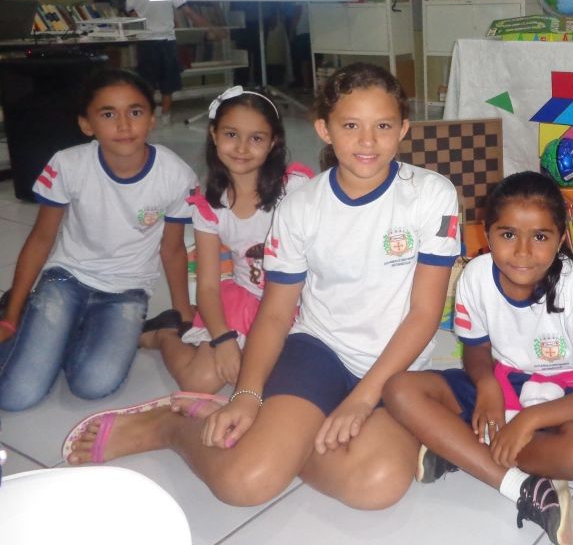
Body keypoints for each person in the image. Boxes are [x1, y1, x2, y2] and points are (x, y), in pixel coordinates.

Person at [64, 62, 461, 514]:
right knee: (243, 484)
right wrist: (247, 395)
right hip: (319, 352)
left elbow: (425, 314)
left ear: (403, 129)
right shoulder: (301, 206)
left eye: (383, 126)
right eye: (351, 125)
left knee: (377, 486)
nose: (367, 141)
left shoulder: (432, 194)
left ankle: (282, 442)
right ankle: (169, 427)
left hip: (396, 368)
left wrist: (363, 398)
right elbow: (274, 313)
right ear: (324, 130)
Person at [383, 171, 573, 545]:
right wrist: (486, 384)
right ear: (486, 235)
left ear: (560, 240)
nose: (522, 252)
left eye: (540, 237)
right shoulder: (474, 276)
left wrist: (530, 420)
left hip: (564, 398)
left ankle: (460, 449)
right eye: (507, 235)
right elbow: (475, 347)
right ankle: (520, 483)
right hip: (502, 384)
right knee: (399, 389)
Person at [0, 69, 196, 412]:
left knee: (93, 384)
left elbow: (173, 249)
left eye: (135, 112)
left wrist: (184, 320)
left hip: (127, 291)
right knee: (16, 396)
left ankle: (57, 332)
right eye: (108, 114)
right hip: (66, 279)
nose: (124, 124)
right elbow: (41, 238)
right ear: (86, 124)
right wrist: (11, 317)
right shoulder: (68, 164)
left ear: (151, 119)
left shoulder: (175, 174)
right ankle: (25, 310)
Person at [140, 85, 312, 394]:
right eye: (231, 134)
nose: (242, 148)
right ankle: (166, 334)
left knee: (278, 383)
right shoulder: (210, 207)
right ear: (214, 134)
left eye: (256, 138)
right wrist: (223, 339)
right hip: (244, 301)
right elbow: (208, 286)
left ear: (273, 142)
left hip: (296, 305)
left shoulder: (296, 189)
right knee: (200, 381)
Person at [125, 0, 206, 124]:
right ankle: (166, 115)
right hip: (167, 43)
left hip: (146, 43)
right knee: (168, 81)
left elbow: (132, 19)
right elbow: (188, 12)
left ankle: (149, 115)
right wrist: (210, 27)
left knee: (147, 81)